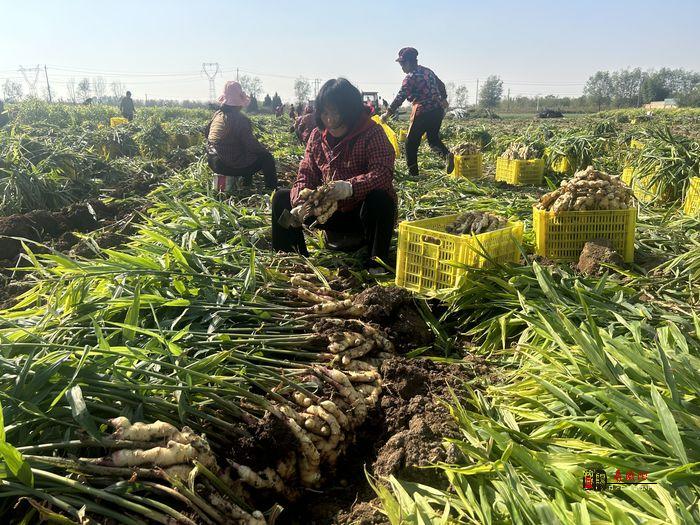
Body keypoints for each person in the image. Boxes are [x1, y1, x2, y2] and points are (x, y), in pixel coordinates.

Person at [272, 78, 397, 274]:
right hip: (329, 211)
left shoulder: (372, 133)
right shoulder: (316, 136)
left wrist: (350, 187)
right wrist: (299, 201)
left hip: (361, 214)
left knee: (381, 199)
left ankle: (376, 262)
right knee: (281, 198)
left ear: (351, 111)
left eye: (336, 113)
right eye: (324, 113)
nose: (329, 119)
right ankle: (291, 259)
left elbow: (383, 174)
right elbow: (306, 171)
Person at [381, 47, 452, 177]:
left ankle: (413, 174)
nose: (401, 67)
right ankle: (447, 155)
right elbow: (441, 85)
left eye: (402, 64)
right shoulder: (428, 72)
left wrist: (387, 113)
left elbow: (400, 96)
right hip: (437, 110)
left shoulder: (410, 77)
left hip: (423, 111)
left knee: (410, 143)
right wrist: (444, 98)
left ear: (408, 62)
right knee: (433, 139)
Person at [206, 81, 278, 190]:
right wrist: (264, 150)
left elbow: (207, 134)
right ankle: (271, 189)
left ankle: (246, 183)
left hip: (212, 160)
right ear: (238, 103)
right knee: (266, 158)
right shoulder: (240, 119)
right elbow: (251, 145)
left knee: (243, 152)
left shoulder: (217, 115)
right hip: (226, 164)